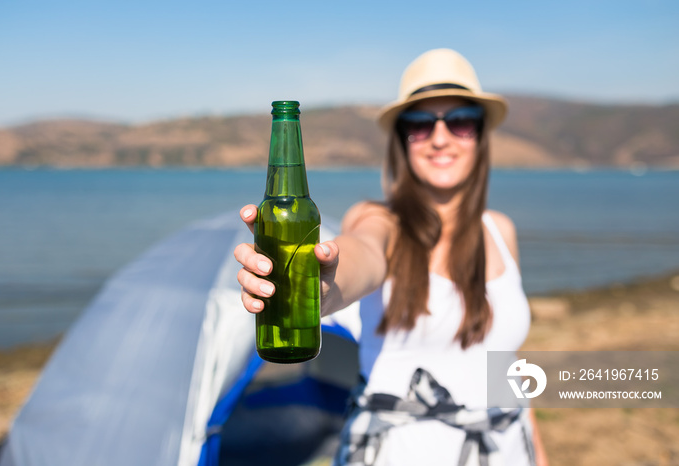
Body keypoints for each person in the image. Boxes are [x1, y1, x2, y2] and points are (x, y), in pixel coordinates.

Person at [234, 49, 548, 466]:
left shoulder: (500, 230)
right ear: (401, 140)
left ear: (481, 134)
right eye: (419, 125)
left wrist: (538, 455)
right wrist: (323, 282)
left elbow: (505, 361)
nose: (440, 137)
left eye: (461, 121)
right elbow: (362, 254)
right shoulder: (380, 220)